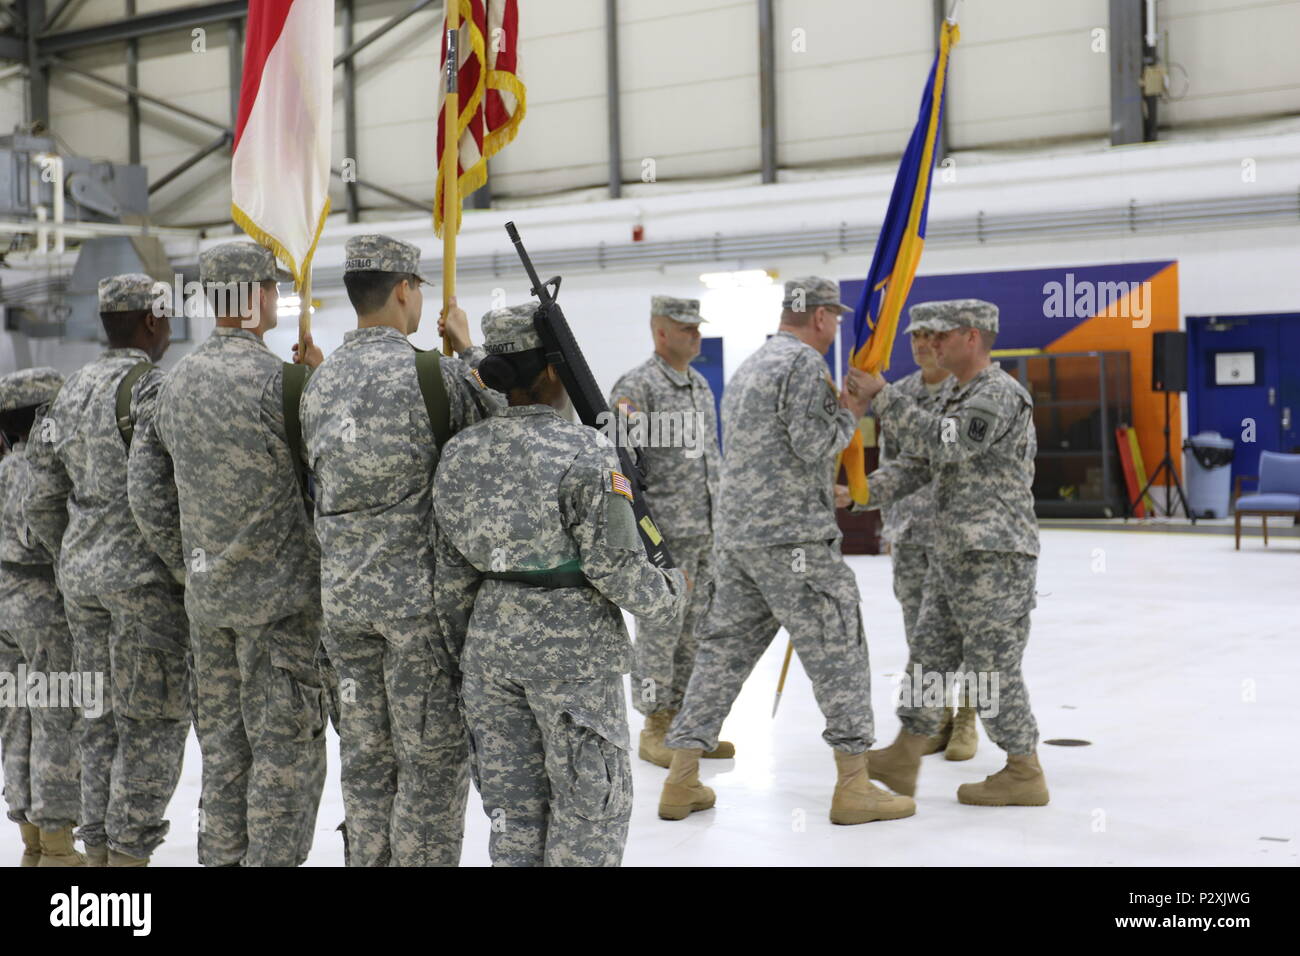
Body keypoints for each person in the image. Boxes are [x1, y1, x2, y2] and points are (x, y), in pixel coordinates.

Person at [433, 304, 687, 867]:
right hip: (573, 657)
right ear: (554, 372)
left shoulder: (458, 453)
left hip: (489, 650)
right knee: (589, 813)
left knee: (514, 817)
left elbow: (448, 578)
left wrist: (469, 654)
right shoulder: (587, 453)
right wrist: (670, 594)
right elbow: (616, 566)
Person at [660, 277, 915, 826]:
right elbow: (812, 442)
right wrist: (855, 404)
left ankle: (681, 779)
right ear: (822, 317)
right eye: (836, 319)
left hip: (739, 538)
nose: (837, 327)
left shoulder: (755, 363)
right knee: (840, 648)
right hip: (793, 539)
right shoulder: (802, 365)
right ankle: (853, 785)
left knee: (720, 655)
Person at [128, 243, 328, 866]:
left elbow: (146, 494)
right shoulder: (283, 383)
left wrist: (191, 565)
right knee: (284, 755)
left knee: (223, 752)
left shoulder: (173, 383)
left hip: (209, 607)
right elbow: (327, 484)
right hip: (283, 610)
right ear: (261, 297)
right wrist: (314, 382)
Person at [300, 234, 495, 866]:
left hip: (345, 610)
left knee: (366, 761)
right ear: (406, 290)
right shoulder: (435, 374)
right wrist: (469, 349)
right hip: (419, 612)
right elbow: (510, 428)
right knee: (431, 765)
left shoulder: (315, 384)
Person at [854, 299, 1048, 806]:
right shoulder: (957, 395)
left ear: (972, 337)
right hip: (951, 552)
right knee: (929, 658)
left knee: (989, 669)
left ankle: (1023, 769)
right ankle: (906, 752)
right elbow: (918, 465)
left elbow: (954, 443)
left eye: (941, 336)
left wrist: (886, 399)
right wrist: (857, 494)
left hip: (994, 556)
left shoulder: (998, 393)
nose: (930, 345)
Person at [24, 275, 190, 867]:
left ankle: (96, 859)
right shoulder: (152, 389)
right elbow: (166, 493)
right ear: (151, 322)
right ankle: (127, 866)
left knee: (97, 721)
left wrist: (73, 553)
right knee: (154, 720)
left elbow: (37, 498)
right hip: (144, 583)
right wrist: (183, 568)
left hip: (82, 583)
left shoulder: (67, 394)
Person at [607, 296, 732, 767]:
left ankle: (687, 724)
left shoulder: (699, 384)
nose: (697, 335)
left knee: (698, 631)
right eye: (687, 328)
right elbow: (621, 466)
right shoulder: (637, 388)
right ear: (661, 333)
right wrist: (640, 535)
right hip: (663, 540)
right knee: (662, 630)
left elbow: (710, 460)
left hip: (705, 532)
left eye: (698, 327)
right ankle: (655, 724)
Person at [877, 313, 978, 761]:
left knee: (972, 629)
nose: (919, 344)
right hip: (914, 533)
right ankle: (935, 718)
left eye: (927, 336)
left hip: (962, 533)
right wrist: (890, 526)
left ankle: (968, 718)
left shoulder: (972, 394)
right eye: (913, 336)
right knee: (921, 633)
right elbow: (890, 465)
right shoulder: (899, 396)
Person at [0, 368, 83, 866]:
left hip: (2, 609)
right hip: (44, 607)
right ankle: (57, 846)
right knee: (56, 719)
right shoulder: (47, 470)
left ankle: (30, 840)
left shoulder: (2, 469)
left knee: (16, 719)